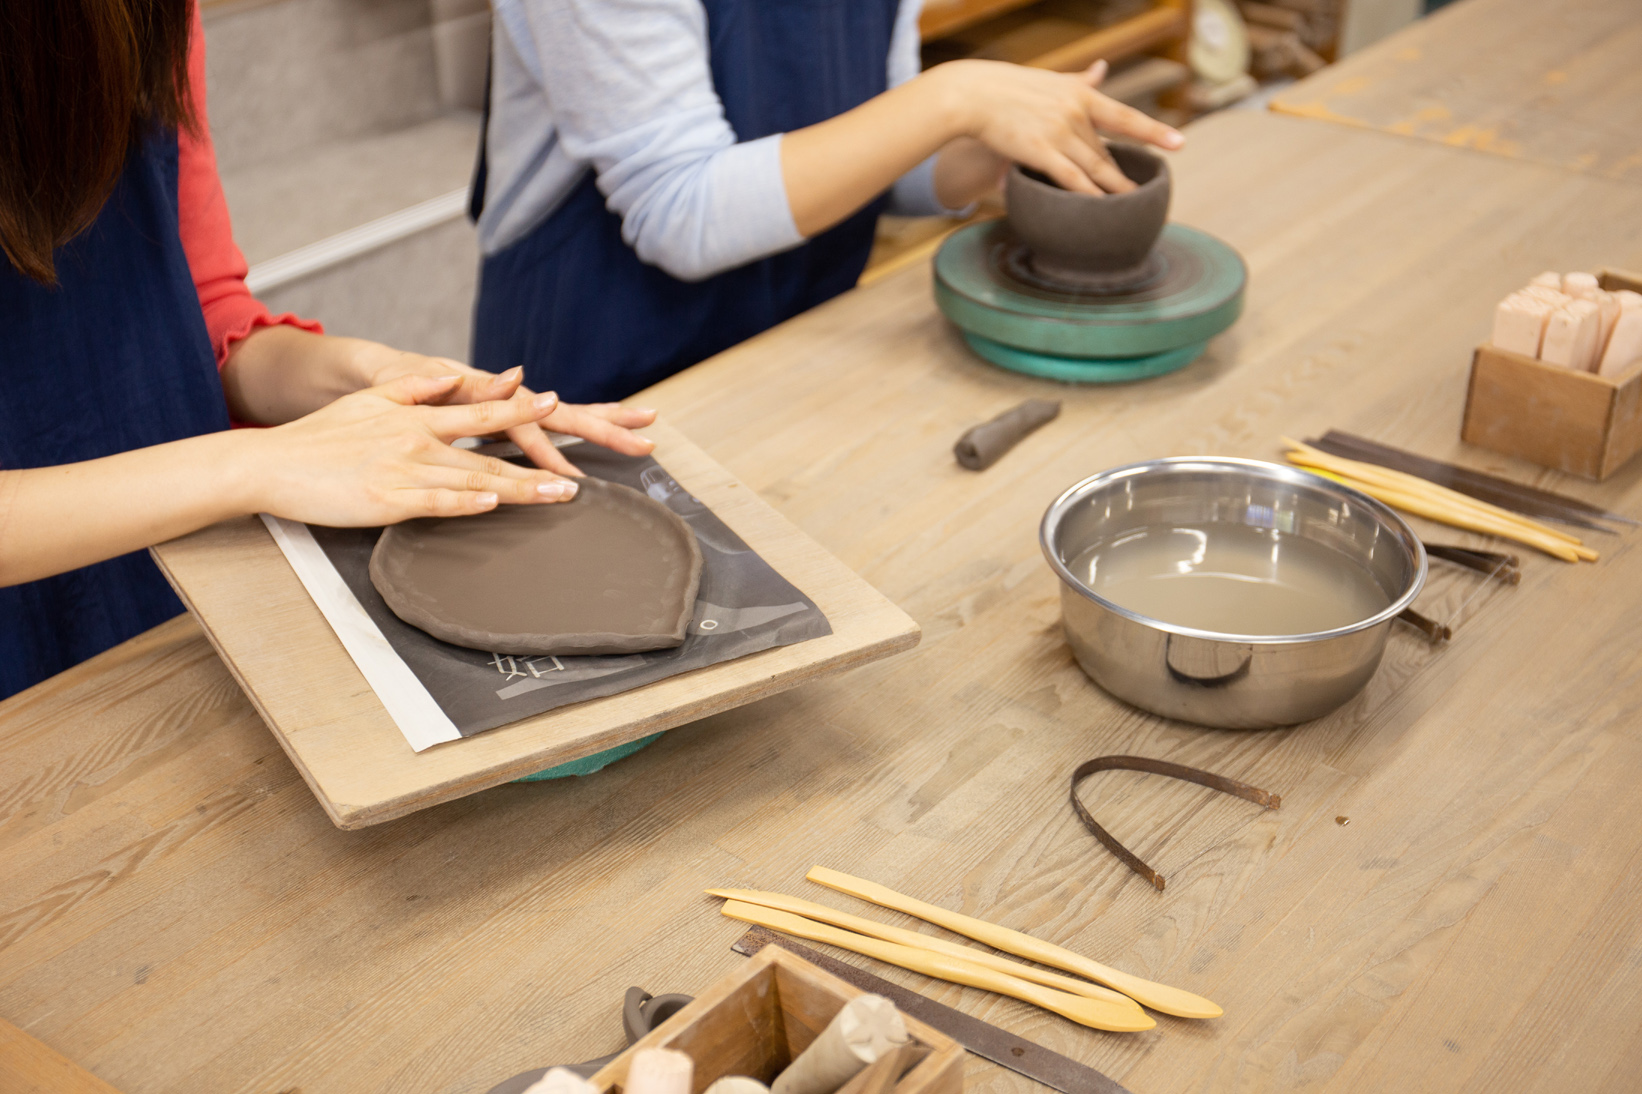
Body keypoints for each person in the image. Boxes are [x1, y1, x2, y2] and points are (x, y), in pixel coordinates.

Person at [0, 0, 656, 702]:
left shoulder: (150, 16)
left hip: (180, 587)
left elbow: (202, 315)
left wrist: (376, 378)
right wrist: (258, 464)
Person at [470, 0, 1186, 403]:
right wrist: (954, 98)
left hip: (803, 342)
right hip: (605, 367)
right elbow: (680, 212)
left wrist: (989, 147)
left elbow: (878, 154)